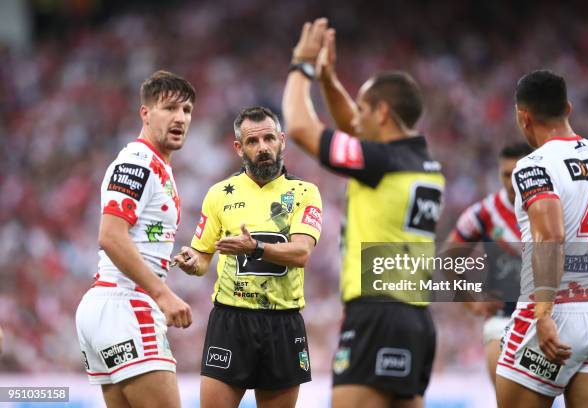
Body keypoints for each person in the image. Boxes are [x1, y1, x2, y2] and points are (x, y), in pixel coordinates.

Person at [282, 18, 444, 408]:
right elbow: (353, 129)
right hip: (416, 319)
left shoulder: (381, 162)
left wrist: (301, 66)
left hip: (377, 313)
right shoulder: (420, 161)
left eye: (365, 108)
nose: (357, 116)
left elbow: (301, 129)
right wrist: (327, 80)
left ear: (383, 112)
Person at [172, 106, 323, 408]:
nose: (263, 147)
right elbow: (202, 259)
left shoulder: (305, 192)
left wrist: (253, 248)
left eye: (269, 138)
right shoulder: (220, 194)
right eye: (253, 142)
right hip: (231, 320)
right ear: (239, 147)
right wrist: (192, 262)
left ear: (282, 140)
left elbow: (301, 253)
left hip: (283, 322)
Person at [75, 70, 195, 408]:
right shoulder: (137, 162)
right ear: (145, 113)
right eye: (169, 108)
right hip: (126, 303)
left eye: (186, 111)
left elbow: (134, 238)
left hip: (109, 306)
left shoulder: (157, 166)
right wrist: (163, 294)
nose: (180, 118)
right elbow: (111, 238)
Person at [495, 70, 588, 407]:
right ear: (569, 108)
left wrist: (543, 314)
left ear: (524, 117)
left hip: (554, 312)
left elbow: (550, 235)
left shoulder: (534, 165)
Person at [442, 142, 532, 383]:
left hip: (555, 319)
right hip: (504, 320)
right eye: (505, 175)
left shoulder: (555, 207)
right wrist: (472, 303)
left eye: (518, 175)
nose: (512, 182)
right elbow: (449, 258)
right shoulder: (485, 212)